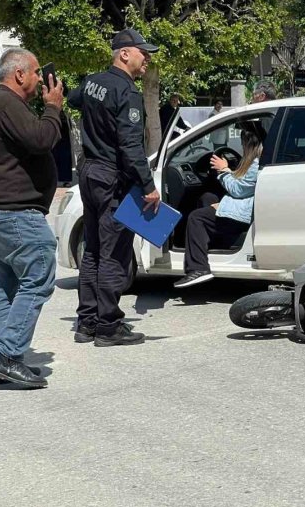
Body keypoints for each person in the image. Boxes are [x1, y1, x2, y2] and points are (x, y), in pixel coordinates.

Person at [0, 48, 64, 389]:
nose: (41, 78)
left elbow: (30, 140)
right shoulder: (6, 103)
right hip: (13, 214)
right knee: (39, 276)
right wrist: (53, 107)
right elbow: (41, 139)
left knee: (7, 287)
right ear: (19, 74)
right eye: (37, 72)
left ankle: (1, 357)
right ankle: (9, 356)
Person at [67, 28, 161, 347]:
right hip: (111, 178)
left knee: (92, 249)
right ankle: (108, 325)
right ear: (124, 54)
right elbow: (130, 145)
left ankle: (87, 321)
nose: (146, 58)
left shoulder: (93, 81)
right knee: (114, 253)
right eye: (142, 52)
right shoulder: (128, 92)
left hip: (89, 173)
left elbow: (73, 99)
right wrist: (148, 186)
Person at [173, 128, 263, 289]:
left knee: (196, 217)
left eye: (243, 144)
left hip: (243, 213)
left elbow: (238, 189)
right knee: (207, 198)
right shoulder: (257, 161)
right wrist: (228, 170)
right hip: (246, 205)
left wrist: (222, 170)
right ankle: (210, 248)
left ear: (249, 145)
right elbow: (244, 185)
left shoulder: (256, 164)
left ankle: (198, 268)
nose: (242, 147)